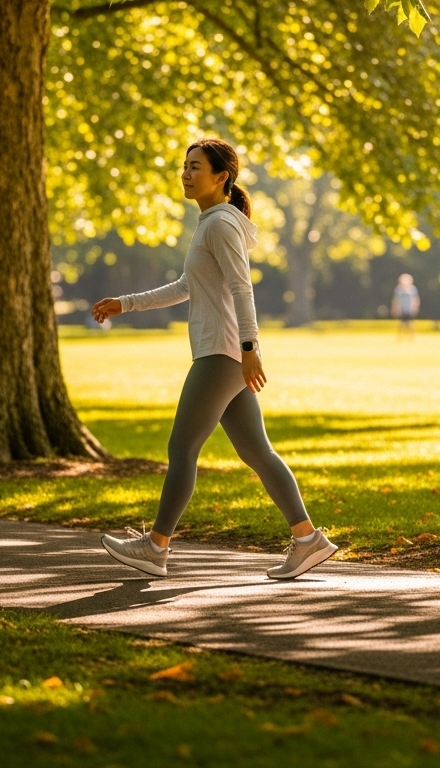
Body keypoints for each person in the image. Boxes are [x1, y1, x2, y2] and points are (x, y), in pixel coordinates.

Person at [92, 139, 336, 581]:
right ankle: (308, 540)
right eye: (184, 166)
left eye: (196, 167)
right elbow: (187, 285)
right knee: (256, 451)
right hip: (225, 352)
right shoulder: (212, 223)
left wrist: (249, 349)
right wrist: (124, 303)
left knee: (182, 449)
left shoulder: (220, 224)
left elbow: (243, 289)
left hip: (221, 353)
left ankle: (156, 548)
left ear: (221, 176)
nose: (186, 174)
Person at [391, 273, 420, 338]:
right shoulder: (398, 290)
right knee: (401, 324)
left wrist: (415, 307)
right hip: (401, 309)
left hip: (410, 309)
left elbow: (416, 299)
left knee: (411, 324)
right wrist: (394, 308)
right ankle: (400, 336)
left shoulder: (412, 289)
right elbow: (395, 300)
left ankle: (411, 336)